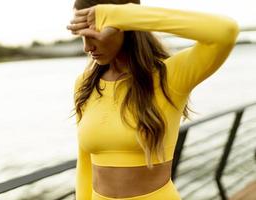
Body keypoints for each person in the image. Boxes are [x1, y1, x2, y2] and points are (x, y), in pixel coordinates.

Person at [67, 0, 239, 199]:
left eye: (93, 33)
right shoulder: (86, 84)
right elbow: (85, 163)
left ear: (121, 26)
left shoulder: (169, 77)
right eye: (82, 36)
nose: (87, 47)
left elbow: (225, 32)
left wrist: (124, 15)